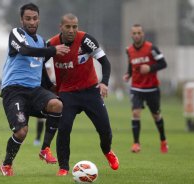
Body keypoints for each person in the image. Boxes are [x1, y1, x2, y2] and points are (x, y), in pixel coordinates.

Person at [0, 3, 70, 176]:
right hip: (14, 90)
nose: (32, 22)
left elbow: (40, 69)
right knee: (22, 132)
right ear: (21, 20)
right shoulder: (16, 34)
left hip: (35, 90)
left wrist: (52, 88)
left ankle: (45, 148)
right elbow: (24, 50)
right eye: (28, 19)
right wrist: (53, 50)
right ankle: (6, 164)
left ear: (39, 19)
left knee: (57, 105)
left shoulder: (41, 41)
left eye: (35, 18)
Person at [46, 13, 119, 176]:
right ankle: (63, 167)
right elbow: (39, 65)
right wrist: (48, 86)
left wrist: (104, 82)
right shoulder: (51, 44)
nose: (71, 30)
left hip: (90, 92)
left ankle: (107, 151)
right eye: (68, 27)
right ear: (61, 27)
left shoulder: (86, 40)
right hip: (67, 94)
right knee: (64, 129)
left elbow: (105, 62)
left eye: (74, 27)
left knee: (105, 130)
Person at [122, 24, 168, 153]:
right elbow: (131, 66)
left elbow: (163, 63)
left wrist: (150, 68)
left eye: (139, 33)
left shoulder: (152, 48)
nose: (136, 35)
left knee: (156, 115)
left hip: (152, 88)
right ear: (131, 35)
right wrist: (128, 74)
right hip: (136, 88)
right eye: (134, 33)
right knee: (136, 113)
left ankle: (163, 140)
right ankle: (136, 144)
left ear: (143, 34)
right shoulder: (129, 50)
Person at [33, 62, 55, 146]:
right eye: (47, 70)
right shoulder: (39, 81)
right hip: (41, 103)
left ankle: (47, 141)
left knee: (52, 121)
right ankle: (38, 139)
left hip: (51, 105)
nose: (48, 71)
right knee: (41, 119)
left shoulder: (52, 83)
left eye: (49, 70)